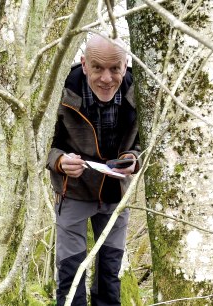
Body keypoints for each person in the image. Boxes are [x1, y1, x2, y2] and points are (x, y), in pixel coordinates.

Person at [46, 34, 140, 306]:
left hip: (115, 192)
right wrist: (60, 161)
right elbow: (41, 143)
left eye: (115, 69)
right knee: (70, 271)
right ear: (84, 64)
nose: (107, 78)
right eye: (98, 68)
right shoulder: (61, 88)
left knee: (110, 272)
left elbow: (146, 143)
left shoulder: (139, 91)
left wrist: (133, 159)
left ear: (126, 65)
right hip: (73, 190)